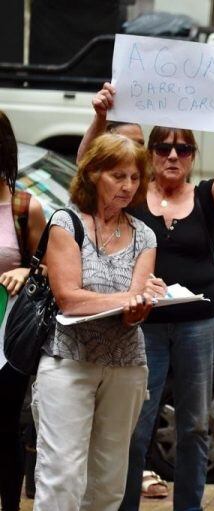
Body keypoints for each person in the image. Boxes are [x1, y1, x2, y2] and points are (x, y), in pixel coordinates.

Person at [119, 86, 214, 511]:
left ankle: (189, 507)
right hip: (145, 323)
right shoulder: (134, 196)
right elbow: (88, 172)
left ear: (194, 155)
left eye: (183, 148)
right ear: (151, 154)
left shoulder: (207, 196)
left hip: (201, 323)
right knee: (137, 425)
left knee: (195, 425)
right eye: (163, 147)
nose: (173, 155)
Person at [33, 133, 164, 511]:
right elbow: (69, 299)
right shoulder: (66, 222)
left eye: (135, 178)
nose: (128, 186)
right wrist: (130, 297)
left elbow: (134, 311)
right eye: (117, 176)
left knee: (108, 483)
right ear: (93, 174)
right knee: (62, 477)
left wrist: (144, 305)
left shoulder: (145, 235)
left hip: (125, 364)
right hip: (68, 360)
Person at [0, 110, 45, 511]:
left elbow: (47, 269)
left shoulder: (23, 207)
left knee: (5, 427)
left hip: (8, 338)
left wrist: (23, 269)